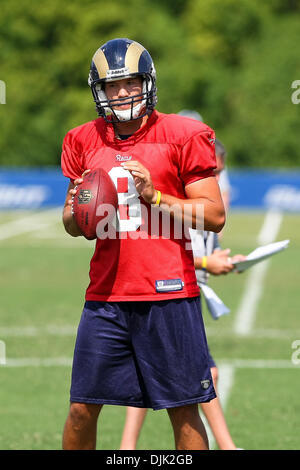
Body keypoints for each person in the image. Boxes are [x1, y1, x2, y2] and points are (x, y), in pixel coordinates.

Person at [61, 38, 225, 450]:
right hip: (106, 294)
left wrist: (157, 197)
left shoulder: (184, 134)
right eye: (112, 86)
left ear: (148, 84)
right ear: (97, 91)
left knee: (184, 406)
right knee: (82, 406)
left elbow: (213, 214)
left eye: (131, 82)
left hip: (169, 291)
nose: (122, 93)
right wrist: (80, 212)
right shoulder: (82, 139)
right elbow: (70, 222)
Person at [120, 138, 245, 451]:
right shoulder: (172, 202)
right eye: (209, 174)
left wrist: (227, 260)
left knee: (160, 374)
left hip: (187, 297)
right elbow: (158, 250)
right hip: (165, 296)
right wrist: (206, 263)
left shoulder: (203, 206)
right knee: (201, 375)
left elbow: (208, 246)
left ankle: (127, 446)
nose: (212, 182)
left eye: (217, 175)